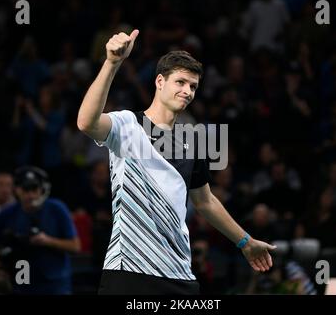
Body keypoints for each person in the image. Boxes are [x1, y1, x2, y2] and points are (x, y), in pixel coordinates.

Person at [77, 29, 277, 295]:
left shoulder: (193, 141)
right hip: (128, 269)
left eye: (193, 86)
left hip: (178, 272)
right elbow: (86, 122)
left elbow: (205, 202)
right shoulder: (127, 124)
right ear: (160, 82)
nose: (187, 91)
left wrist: (246, 242)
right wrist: (112, 63)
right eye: (180, 82)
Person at [0, 166, 80, 294]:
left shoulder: (56, 208)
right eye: (25, 189)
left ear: (42, 189)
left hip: (54, 281)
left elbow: (75, 246)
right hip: (22, 279)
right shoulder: (9, 213)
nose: (30, 195)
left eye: (34, 189)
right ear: (17, 190)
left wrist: (48, 241)